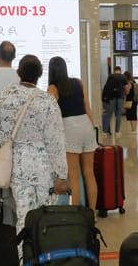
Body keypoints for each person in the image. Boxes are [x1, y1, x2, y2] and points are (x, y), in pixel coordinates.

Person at [0, 55, 69, 240]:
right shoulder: (47, 101)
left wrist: (0, 146)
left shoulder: (3, 97)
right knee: (45, 216)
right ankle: (45, 255)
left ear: (19, 73)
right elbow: (56, 141)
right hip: (44, 167)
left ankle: (25, 258)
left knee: (23, 217)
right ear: (39, 75)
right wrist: (61, 174)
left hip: (17, 167)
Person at [47, 56, 98, 212]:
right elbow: (87, 108)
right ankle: (93, 214)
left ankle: (76, 216)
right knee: (89, 173)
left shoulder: (52, 89)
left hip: (69, 128)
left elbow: (51, 115)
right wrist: (93, 129)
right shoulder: (78, 82)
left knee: (74, 176)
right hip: (86, 126)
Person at [102, 66, 127, 137]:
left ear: (114, 70)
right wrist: (124, 94)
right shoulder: (123, 77)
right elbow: (125, 88)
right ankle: (117, 132)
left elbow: (107, 87)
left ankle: (105, 132)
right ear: (120, 70)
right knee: (118, 115)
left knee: (108, 115)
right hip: (120, 97)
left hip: (111, 98)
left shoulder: (111, 76)